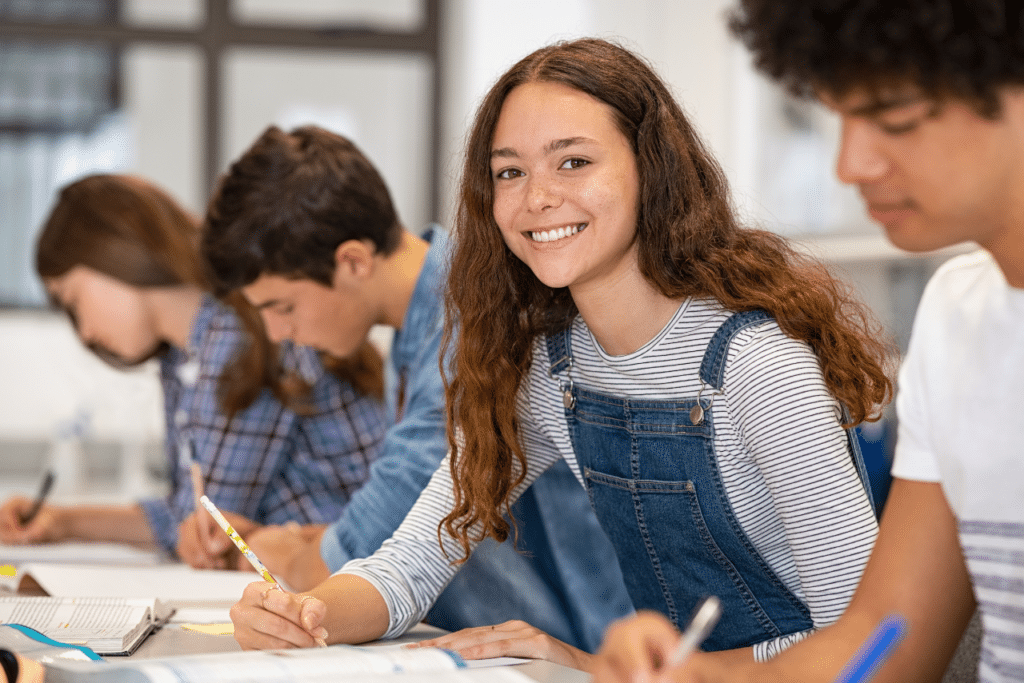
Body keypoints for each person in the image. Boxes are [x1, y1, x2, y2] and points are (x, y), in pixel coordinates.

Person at [226, 39, 894, 674]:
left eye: (573, 161)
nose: (537, 197)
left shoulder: (756, 366)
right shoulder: (548, 371)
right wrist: (304, 614)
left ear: (650, 168)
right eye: (510, 172)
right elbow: (409, 565)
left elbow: (867, 640)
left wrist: (604, 666)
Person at [592, 2, 1024, 682]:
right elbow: (888, 640)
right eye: (840, 115)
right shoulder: (956, 316)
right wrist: (703, 675)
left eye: (895, 118)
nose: (850, 163)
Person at [197, 124, 634, 656]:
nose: (278, 334)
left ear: (354, 261)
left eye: (282, 307)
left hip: (574, 646)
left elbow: (372, 536)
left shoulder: (471, 323)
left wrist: (283, 551)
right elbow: (413, 536)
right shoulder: (417, 324)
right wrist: (294, 543)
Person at [0, 174, 388, 556]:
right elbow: (191, 515)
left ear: (113, 253)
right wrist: (61, 522)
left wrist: (71, 523)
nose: (83, 333)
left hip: (359, 575)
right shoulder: (186, 355)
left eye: (73, 300)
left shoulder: (241, 337)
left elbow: (206, 530)